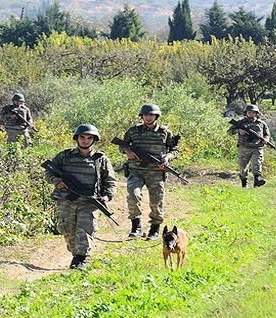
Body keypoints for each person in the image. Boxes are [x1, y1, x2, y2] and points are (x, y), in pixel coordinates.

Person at [45, 124, 116, 270]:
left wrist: (106, 197)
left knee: (85, 229)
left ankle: (80, 259)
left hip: (88, 202)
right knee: (68, 230)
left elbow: (110, 181)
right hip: (66, 200)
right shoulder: (65, 156)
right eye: (82, 137)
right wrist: (56, 181)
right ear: (76, 138)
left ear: (94, 140)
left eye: (89, 138)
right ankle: (75, 253)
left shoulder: (100, 159)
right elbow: (49, 171)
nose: (85, 140)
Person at [118, 104, 179, 241]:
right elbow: (122, 145)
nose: (148, 117)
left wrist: (167, 158)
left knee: (156, 202)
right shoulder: (133, 131)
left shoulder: (165, 132)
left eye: (151, 115)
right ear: (142, 116)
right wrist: (127, 151)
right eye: (145, 115)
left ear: (156, 116)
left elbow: (175, 150)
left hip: (156, 172)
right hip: (136, 171)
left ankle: (154, 229)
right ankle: (136, 226)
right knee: (133, 196)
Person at [227, 104, 270, 188]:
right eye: (249, 112)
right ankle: (244, 183)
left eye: (253, 112)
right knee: (243, 168)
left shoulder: (262, 124)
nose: (251, 114)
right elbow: (229, 132)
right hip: (244, 148)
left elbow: (267, 134)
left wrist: (266, 139)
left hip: (257, 147)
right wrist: (239, 131)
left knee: (257, 164)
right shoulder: (241, 123)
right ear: (246, 113)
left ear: (256, 113)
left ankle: (257, 181)